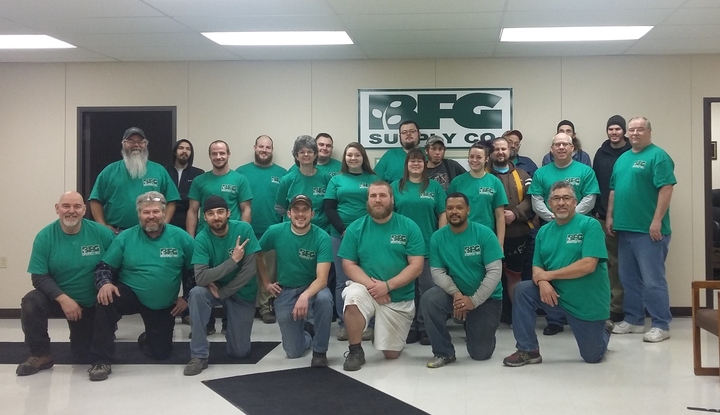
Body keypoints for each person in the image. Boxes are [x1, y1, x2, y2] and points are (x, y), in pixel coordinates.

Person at [503, 180, 611, 367]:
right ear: (549, 203)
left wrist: (549, 276)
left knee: (592, 357)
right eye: (556, 198)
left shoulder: (590, 225)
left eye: (566, 198)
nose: (561, 202)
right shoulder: (543, 232)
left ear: (575, 202)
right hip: (556, 297)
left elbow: (588, 265)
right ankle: (528, 350)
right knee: (522, 290)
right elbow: (537, 267)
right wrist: (543, 282)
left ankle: (604, 329)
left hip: (587, 303)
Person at [88, 191, 194, 381]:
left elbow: (194, 271)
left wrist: (186, 298)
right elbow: (103, 267)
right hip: (130, 294)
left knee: (161, 353)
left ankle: (148, 337)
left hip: (162, 303)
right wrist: (104, 284)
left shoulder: (181, 237)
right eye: (146, 212)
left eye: (155, 212)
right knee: (106, 300)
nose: (151, 216)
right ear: (139, 215)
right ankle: (101, 360)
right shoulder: (125, 237)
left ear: (164, 213)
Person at [16, 192, 115, 376]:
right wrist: (63, 299)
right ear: (57, 209)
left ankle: (99, 339)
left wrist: (107, 285)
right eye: (66, 206)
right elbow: (38, 276)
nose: (71, 211)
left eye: (77, 206)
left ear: (84, 210)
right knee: (31, 301)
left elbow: (117, 264)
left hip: (92, 303)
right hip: (60, 300)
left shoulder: (102, 234)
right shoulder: (44, 237)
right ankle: (40, 354)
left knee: (82, 356)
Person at [338, 181, 424, 371]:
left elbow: (416, 266)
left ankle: (380, 331)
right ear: (367, 200)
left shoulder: (409, 226)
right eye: (373, 196)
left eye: (383, 196)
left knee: (391, 355)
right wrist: (375, 287)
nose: (378, 200)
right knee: (352, 296)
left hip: (398, 296)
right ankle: (355, 350)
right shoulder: (355, 228)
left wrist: (388, 286)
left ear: (392, 199)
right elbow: (348, 264)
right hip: (367, 289)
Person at [607, 116, 676, 343]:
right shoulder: (623, 159)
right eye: (632, 130)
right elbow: (614, 190)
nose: (635, 133)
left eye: (640, 129)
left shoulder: (658, 156)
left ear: (649, 131)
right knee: (628, 279)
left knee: (653, 280)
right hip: (624, 229)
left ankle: (661, 324)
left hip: (650, 231)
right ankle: (634, 320)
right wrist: (610, 216)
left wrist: (657, 220)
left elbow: (666, 189)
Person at [528, 132, 600, 335]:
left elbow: (590, 197)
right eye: (557, 144)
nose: (561, 147)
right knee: (551, 268)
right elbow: (536, 199)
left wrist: (568, 216)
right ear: (551, 149)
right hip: (550, 227)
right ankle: (555, 320)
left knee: (577, 270)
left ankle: (581, 317)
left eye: (565, 144)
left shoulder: (585, 171)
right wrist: (555, 217)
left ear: (573, 149)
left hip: (578, 226)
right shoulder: (542, 173)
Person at [422, 192, 504, 368]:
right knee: (429, 299)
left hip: (486, 299)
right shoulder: (438, 237)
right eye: (450, 208)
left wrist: (473, 301)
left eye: (459, 207)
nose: (454, 212)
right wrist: (457, 296)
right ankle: (444, 352)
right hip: (455, 296)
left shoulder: (485, 233)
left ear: (468, 210)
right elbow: (437, 272)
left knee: (480, 354)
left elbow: (495, 272)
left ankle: (480, 328)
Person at [184, 196, 260, 376]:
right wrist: (233, 261)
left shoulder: (244, 229)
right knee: (196, 293)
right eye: (210, 213)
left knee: (239, 352)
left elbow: (249, 271)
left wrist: (223, 292)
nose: (216, 217)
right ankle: (198, 355)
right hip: (212, 289)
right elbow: (201, 277)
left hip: (241, 291)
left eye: (220, 212)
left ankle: (234, 329)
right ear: (204, 217)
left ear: (228, 213)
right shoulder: (202, 238)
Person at [258, 195, 334, 367]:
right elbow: (257, 253)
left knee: (324, 299)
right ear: (289, 214)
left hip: (313, 287)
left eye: (305, 210)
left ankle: (320, 351)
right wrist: (266, 283)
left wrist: (305, 296)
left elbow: (322, 279)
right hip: (286, 289)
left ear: (312, 214)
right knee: (293, 352)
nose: (301, 214)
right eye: (296, 210)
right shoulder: (275, 231)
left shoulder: (322, 237)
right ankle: (307, 332)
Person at [324, 142, 380, 341]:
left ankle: (369, 324)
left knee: (369, 279)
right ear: (345, 158)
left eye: (357, 155)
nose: (353, 158)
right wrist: (343, 229)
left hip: (369, 234)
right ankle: (344, 324)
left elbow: (378, 205)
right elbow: (329, 208)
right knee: (341, 281)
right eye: (349, 155)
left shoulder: (373, 179)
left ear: (363, 157)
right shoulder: (336, 180)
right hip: (341, 235)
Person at [391, 148, 447, 345]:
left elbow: (442, 214)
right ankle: (410, 327)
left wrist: (440, 239)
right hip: (399, 248)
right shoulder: (395, 187)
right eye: (412, 161)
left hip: (427, 245)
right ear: (406, 165)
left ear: (425, 164)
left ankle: (425, 328)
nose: (416, 164)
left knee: (427, 289)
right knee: (406, 290)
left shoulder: (434, 187)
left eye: (420, 161)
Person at [89, 127, 180, 233]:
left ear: (146, 144)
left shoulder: (159, 170)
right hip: (116, 233)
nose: (136, 145)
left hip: (150, 233)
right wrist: (102, 225)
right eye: (131, 141)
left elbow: (172, 200)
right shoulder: (109, 171)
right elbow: (95, 200)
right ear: (123, 144)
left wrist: (163, 224)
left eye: (140, 141)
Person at [237, 135, 287, 325]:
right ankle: (247, 308)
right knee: (246, 272)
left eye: (268, 147)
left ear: (272, 150)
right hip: (247, 230)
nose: (264, 150)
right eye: (261, 146)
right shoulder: (242, 172)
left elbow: (286, 204)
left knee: (269, 272)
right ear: (254, 148)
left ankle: (266, 307)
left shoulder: (282, 174)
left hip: (272, 231)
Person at [488, 136, 534, 324]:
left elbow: (531, 200)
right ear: (491, 153)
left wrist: (515, 214)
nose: (500, 152)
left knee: (514, 276)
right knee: (491, 276)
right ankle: (492, 316)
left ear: (510, 151)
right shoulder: (484, 175)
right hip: (490, 236)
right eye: (496, 149)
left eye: (503, 149)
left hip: (517, 235)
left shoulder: (523, 175)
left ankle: (517, 315)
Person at [592, 115, 631, 323]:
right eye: (611, 129)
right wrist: (601, 212)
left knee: (628, 265)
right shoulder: (601, 153)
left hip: (630, 218)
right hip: (603, 216)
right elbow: (597, 183)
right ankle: (612, 307)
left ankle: (628, 308)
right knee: (609, 264)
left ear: (624, 131)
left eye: (617, 129)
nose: (614, 133)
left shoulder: (632, 152)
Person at [187, 140, 253, 237]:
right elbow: (192, 211)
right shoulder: (199, 181)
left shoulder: (240, 180)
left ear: (228, 154)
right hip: (205, 236)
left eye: (222, 153)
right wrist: (190, 239)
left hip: (232, 236)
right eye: (214, 154)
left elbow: (246, 210)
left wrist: (242, 235)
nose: (218, 157)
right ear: (210, 156)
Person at [448, 142, 508, 247]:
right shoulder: (457, 182)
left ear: (486, 159)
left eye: (479, 157)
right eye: (471, 157)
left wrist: (500, 244)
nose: (474, 160)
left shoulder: (495, 182)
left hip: (486, 237)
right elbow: (447, 212)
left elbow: (500, 216)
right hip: (460, 236)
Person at [276, 135, 331, 233]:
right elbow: (280, 208)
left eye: (310, 151)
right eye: (301, 152)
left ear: (315, 155)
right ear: (296, 156)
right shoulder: (287, 180)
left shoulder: (325, 178)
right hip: (293, 231)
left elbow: (330, 206)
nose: (306, 154)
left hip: (320, 231)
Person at [166, 139, 204, 231]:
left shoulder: (198, 173)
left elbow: (197, 199)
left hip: (189, 220)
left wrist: (174, 199)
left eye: (188, 149)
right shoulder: (165, 171)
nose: (184, 151)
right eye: (181, 148)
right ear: (175, 152)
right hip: (167, 218)